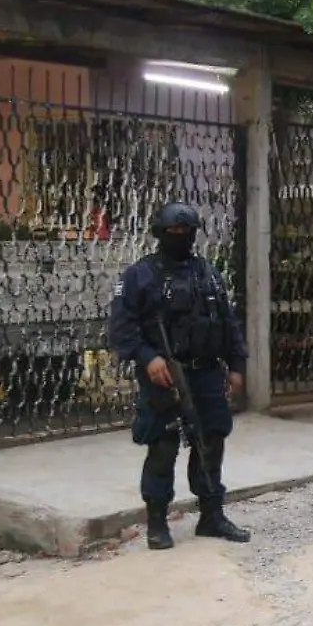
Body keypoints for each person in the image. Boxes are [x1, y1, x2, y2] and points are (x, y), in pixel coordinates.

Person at [107, 201, 250, 550]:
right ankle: (157, 522)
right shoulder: (140, 275)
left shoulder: (209, 274)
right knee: (163, 445)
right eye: (173, 232)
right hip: (164, 375)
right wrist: (147, 357)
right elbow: (121, 328)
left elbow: (227, 323)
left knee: (210, 442)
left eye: (186, 232)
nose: (180, 237)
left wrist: (237, 365)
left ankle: (212, 516)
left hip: (206, 374)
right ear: (160, 233)